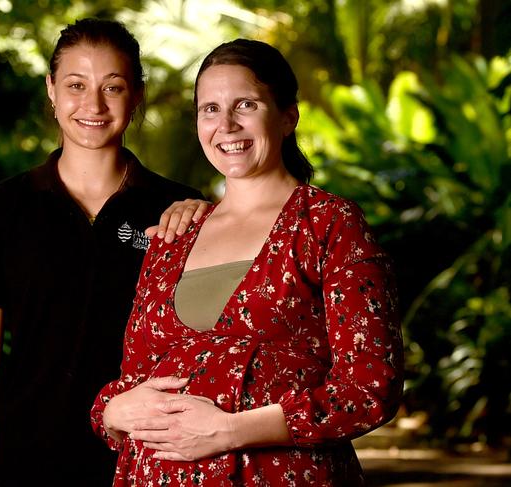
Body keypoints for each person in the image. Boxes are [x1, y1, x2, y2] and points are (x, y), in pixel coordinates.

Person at [91, 38, 404, 486]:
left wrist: (231, 431)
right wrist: (112, 411)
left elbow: (370, 387)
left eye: (246, 105)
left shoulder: (328, 223)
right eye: (210, 109)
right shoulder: (175, 236)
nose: (227, 125)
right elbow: (133, 379)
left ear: (288, 117)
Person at [0, 18, 207, 487]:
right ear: (51, 90)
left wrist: (212, 222)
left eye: (112, 86)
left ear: (137, 94)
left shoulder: (180, 211)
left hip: (148, 460)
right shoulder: (3, 207)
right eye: (75, 85)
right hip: (24, 461)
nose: (93, 104)